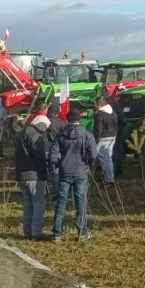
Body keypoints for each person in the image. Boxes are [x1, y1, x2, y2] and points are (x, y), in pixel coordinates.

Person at [48, 110, 98, 241]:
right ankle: (82, 232)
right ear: (79, 120)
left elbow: (52, 156)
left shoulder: (61, 135)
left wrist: (58, 164)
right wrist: (88, 164)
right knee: (81, 201)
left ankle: (57, 233)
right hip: (81, 172)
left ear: (67, 119)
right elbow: (93, 155)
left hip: (64, 172)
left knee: (61, 201)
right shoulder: (87, 135)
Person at [15, 115, 51, 240]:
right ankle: (36, 232)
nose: (45, 131)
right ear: (41, 125)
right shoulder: (36, 136)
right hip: (34, 175)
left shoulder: (21, 134)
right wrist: (44, 174)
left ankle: (27, 232)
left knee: (28, 204)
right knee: (39, 203)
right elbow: (39, 157)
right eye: (45, 127)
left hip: (21, 175)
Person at [93, 96, 117, 187]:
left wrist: (95, 141)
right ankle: (108, 177)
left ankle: (109, 180)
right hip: (112, 137)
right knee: (108, 158)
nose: (94, 106)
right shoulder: (113, 113)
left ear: (99, 104)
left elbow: (98, 129)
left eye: (95, 104)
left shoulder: (99, 114)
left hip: (103, 139)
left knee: (105, 160)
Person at [44, 102, 65, 197]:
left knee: (43, 172)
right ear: (57, 112)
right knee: (55, 172)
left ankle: (44, 192)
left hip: (42, 148)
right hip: (55, 150)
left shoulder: (41, 121)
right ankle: (57, 194)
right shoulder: (61, 123)